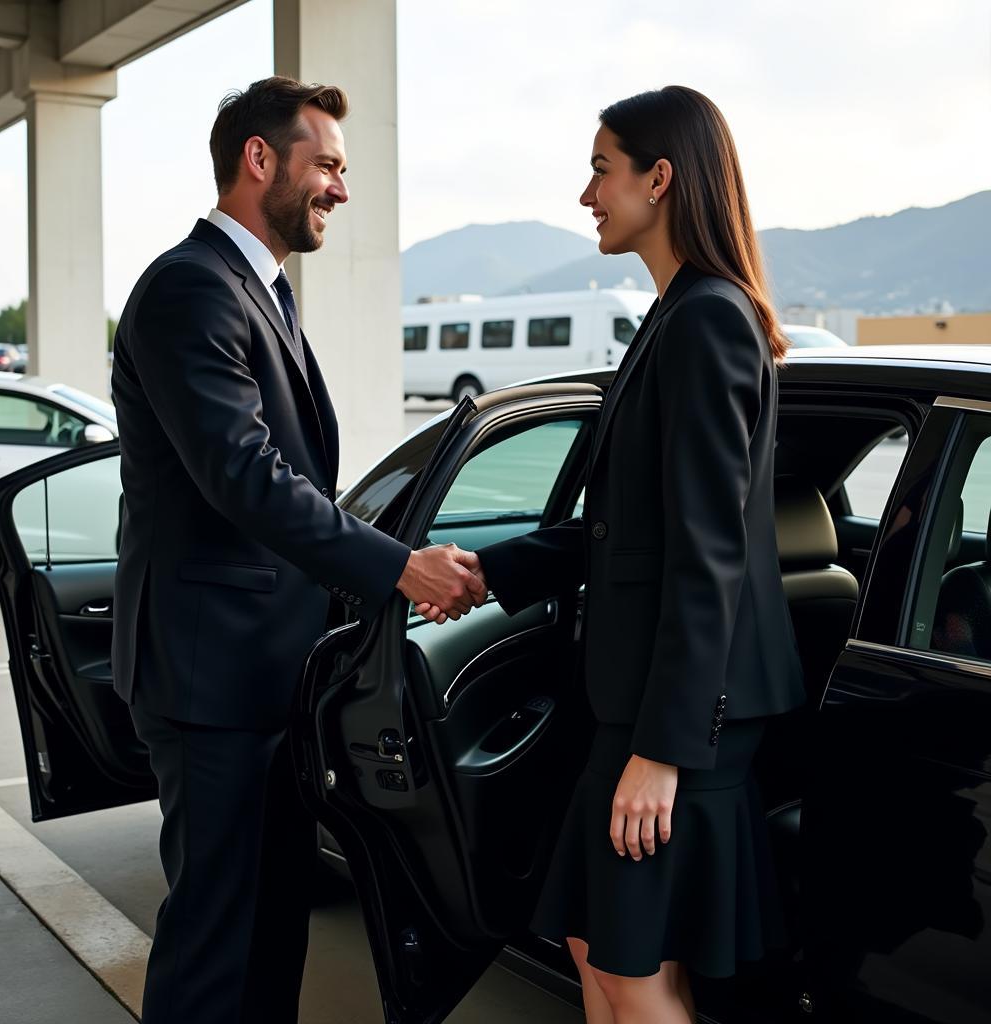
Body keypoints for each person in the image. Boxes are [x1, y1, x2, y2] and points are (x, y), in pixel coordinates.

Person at [415, 85, 806, 1023]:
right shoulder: (675, 317)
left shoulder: (707, 320)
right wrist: (488, 572)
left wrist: (664, 753)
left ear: (659, 179)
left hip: (681, 726)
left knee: (631, 969)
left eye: (601, 168)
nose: (586, 193)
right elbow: (624, 532)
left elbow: (706, 556)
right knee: (599, 945)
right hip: (641, 710)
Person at [110, 77, 486, 1024]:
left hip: (264, 679)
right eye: (327, 166)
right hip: (211, 683)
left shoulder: (256, 290)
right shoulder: (190, 289)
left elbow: (293, 488)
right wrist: (399, 568)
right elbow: (247, 477)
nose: (341, 190)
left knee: (273, 928)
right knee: (216, 942)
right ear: (259, 160)